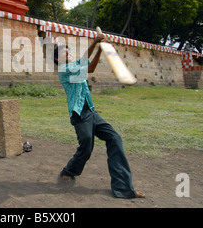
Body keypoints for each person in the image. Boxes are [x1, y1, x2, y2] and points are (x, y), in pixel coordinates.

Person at [53, 35, 145, 199]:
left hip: (91, 112)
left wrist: (99, 49)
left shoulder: (75, 66)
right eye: (64, 54)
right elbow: (89, 68)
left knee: (114, 138)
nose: (68, 55)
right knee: (87, 146)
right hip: (79, 115)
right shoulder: (64, 71)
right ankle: (69, 171)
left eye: (69, 53)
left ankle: (123, 188)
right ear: (57, 59)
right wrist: (96, 44)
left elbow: (88, 65)